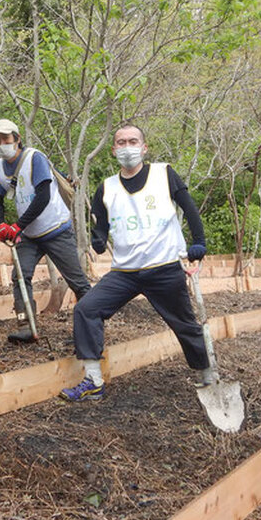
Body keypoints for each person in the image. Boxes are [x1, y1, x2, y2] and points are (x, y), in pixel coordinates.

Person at [60, 123, 212, 402]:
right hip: (125, 272)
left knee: (185, 324)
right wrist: (98, 238)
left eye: (133, 141)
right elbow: (101, 223)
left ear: (144, 147)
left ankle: (207, 376)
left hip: (164, 266)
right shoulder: (107, 187)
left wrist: (198, 242)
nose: (127, 147)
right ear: (114, 149)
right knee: (86, 309)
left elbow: (189, 209)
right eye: (121, 142)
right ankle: (93, 381)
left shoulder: (164, 174)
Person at [0, 118, 92, 343]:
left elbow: (43, 196)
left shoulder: (34, 159)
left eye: (5, 139)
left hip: (56, 229)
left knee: (77, 281)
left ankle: (93, 323)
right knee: (20, 276)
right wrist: (0, 224)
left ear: (16, 139)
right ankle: (26, 324)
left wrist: (18, 225)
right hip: (30, 235)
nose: (1, 144)